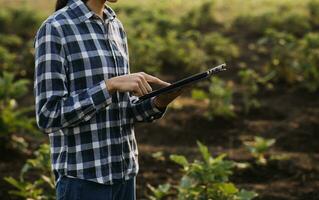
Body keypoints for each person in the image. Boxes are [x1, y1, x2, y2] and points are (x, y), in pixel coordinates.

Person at [34, 0, 183, 199]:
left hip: (125, 176)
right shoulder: (56, 28)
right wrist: (108, 86)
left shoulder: (115, 26)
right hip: (84, 181)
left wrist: (159, 102)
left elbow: (122, 110)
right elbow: (48, 115)